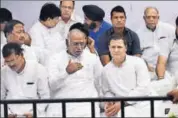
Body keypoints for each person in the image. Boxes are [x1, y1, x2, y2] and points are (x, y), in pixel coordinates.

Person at [46, 23, 103, 117]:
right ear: (67, 42)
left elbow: (100, 82)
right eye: (76, 44)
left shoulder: (92, 58)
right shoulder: (55, 59)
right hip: (62, 105)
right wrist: (66, 73)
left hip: (86, 105)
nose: (79, 48)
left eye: (82, 43)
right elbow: (52, 86)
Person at [100, 34, 162, 117]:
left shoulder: (138, 62)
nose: (116, 50)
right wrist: (110, 101)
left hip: (144, 102)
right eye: (113, 47)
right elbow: (107, 91)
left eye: (119, 47)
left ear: (125, 48)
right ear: (109, 48)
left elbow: (144, 88)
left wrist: (124, 102)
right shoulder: (105, 70)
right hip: (122, 106)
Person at [1, 43, 50, 117]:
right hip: (11, 114)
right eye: (7, 61)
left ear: (21, 55)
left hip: (33, 113)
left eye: (13, 60)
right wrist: (7, 113)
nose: (11, 64)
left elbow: (45, 96)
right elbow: (1, 98)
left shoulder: (38, 69)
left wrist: (34, 113)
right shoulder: (3, 72)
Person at [136, 7, 175, 74]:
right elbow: (137, 56)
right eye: (148, 17)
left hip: (168, 70)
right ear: (144, 18)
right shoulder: (138, 34)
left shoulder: (169, 29)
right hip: (148, 70)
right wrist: (145, 66)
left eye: (154, 17)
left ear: (158, 17)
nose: (151, 19)